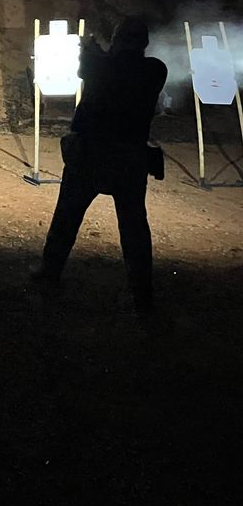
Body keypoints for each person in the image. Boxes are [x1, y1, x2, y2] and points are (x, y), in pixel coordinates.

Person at [32, 16, 167, 313]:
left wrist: (90, 48)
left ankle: (50, 272)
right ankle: (142, 291)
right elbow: (116, 69)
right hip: (130, 158)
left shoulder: (100, 65)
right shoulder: (155, 70)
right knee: (134, 228)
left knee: (66, 218)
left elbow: (91, 69)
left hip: (90, 155)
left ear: (118, 40)